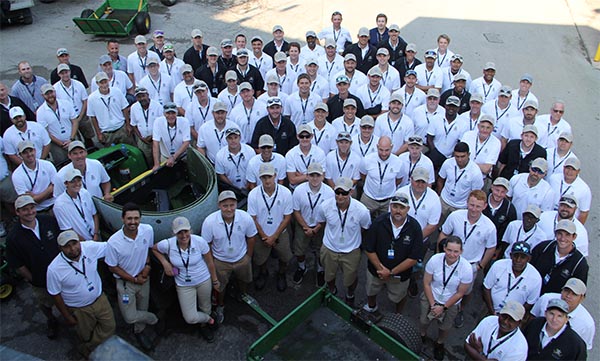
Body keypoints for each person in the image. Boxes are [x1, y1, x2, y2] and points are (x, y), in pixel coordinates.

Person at [46, 230, 115, 358]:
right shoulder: (54, 269)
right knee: (85, 335)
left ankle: (87, 349)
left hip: (100, 299)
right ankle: (92, 349)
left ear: (79, 242)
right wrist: (67, 317)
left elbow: (112, 246)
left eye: (75, 243)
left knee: (110, 326)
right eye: (67, 246)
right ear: (60, 248)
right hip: (79, 308)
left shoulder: (89, 247)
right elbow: (55, 295)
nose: (73, 249)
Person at [152, 217, 219, 342]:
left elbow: (210, 262)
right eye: (179, 232)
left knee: (206, 306)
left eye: (186, 231)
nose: (183, 235)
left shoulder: (199, 242)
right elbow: (154, 249)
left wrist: (215, 281)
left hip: (203, 279)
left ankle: (204, 325)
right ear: (174, 233)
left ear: (190, 230)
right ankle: (209, 319)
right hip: (184, 284)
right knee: (190, 317)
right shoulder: (168, 244)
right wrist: (165, 263)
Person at [438, 190, 496, 328]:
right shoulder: (455, 216)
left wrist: (480, 266)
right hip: (451, 259)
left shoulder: (489, 227)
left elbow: (491, 248)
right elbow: (443, 234)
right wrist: (440, 255)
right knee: (443, 282)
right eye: (472, 205)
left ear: (484, 206)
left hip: (470, 265)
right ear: (467, 203)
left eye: (478, 206)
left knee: (466, 291)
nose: (474, 209)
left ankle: (460, 310)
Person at [5, 195, 60, 339]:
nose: (30, 212)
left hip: (62, 274)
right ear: (17, 212)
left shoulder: (48, 221)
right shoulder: (13, 237)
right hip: (41, 280)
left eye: (32, 208)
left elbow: (61, 242)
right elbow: (17, 264)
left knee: (70, 298)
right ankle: (51, 320)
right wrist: (33, 279)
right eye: (25, 210)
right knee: (45, 303)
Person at [105, 203, 157, 351]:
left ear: (140, 218)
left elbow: (147, 250)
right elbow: (112, 267)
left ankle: (139, 331)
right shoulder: (113, 242)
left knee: (143, 305)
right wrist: (133, 279)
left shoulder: (147, 230)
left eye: (136, 218)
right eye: (129, 218)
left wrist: (147, 266)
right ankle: (153, 319)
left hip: (143, 278)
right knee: (129, 316)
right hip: (126, 283)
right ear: (122, 219)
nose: (133, 222)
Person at [202, 191, 257, 324]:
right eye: (225, 205)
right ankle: (221, 305)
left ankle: (243, 294)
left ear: (236, 204)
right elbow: (206, 245)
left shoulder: (245, 218)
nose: (229, 209)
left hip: (241, 258)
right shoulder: (210, 222)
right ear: (219, 205)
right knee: (220, 287)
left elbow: (251, 237)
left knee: (244, 279)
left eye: (232, 205)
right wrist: (213, 262)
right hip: (221, 261)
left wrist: (248, 256)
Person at [364, 191, 423, 313]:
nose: (398, 210)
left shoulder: (415, 228)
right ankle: (371, 307)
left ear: (408, 209)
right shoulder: (378, 223)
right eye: (395, 206)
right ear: (390, 207)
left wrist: (391, 272)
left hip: (400, 274)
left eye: (402, 207)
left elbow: (413, 258)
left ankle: (398, 314)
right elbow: (369, 249)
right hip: (377, 270)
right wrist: (382, 270)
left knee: (400, 296)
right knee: (371, 290)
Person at [316, 177, 371, 306]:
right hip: (329, 248)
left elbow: (365, 228)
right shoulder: (324, 206)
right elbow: (323, 223)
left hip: (351, 251)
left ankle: (350, 295)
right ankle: (331, 290)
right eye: (337, 192)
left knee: (350, 279)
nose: (340, 196)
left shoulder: (362, 211)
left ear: (351, 192)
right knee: (328, 276)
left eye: (344, 193)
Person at [420, 236, 473, 360]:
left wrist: (443, 308)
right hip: (431, 296)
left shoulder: (466, 268)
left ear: (461, 252)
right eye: (449, 250)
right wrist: (433, 304)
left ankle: (439, 343)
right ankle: (421, 336)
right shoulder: (434, 260)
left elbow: (460, 293)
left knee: (445, 327)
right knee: (423, 320)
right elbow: (426, 283)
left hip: (450, 302)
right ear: (444, 248)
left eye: (456, 251)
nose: (452, 254)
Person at [247, 163, 293, 292]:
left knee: (284, 257)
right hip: (260, 234)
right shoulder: (253, 194)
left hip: (280, 233)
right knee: (260, 258)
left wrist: (274, 236)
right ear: (260, 178)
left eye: (270, 177)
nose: (267, 180)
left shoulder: (285, 193)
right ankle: (263, 272)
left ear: (275, 176)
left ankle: (281, 273)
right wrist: (263, 236)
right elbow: (253, 218)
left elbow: (287, 217)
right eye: (264, 177)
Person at [291, 163, 334, 286]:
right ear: (307, 176)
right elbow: (296, 211)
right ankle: (301, 267)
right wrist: (306, 227)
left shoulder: (329, 193)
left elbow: (328, 215)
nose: (315, 178)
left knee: (321, 250)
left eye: (318, 175)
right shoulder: (299, 191)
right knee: (299, 249)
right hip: (302, 224)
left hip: (320, 226)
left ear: (322, 176)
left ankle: (320, 270)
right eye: (312, 175)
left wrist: (316, 228)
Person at [530, 278, 595, 350]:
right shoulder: (545, 299)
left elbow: (582, 350)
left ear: (582, 298)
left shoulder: (587, 324)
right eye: (566, 291)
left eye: (574, 294)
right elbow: (531, 320)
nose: (568, 296)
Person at [483, 241, 542, 315]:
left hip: (513, 317)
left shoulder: (535, 279)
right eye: (516, 256)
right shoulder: (498, 265)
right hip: (489, 308)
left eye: (523, 257)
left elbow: (530, 303)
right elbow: (486, 288)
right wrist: (492, 311)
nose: (518, 260)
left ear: (529, 259)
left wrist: (514, 315)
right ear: (511, 255)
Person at [530, 219, 588, 294]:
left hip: (556, 302)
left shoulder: (580, 263)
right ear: (555, 233)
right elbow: (528, 270)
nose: (562, 238)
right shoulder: (543, 247)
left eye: (567, 234)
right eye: (560, 234)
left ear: (574, 237)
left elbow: (579, 292)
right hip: (531, 294)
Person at [464, 301, 528, 361]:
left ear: (518, 323)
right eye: (504, 316)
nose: (505, 322)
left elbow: (471, 348)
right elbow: (467, 345)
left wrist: (479, 352)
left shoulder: (520, 348)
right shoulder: (489, 321)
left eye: (511, 319)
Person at [436, 142, 484, 220]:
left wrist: (468, 207)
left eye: (462, 156)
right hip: (444, 202)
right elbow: (440, 180)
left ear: (468, 154)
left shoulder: (475, 172)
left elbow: (475, 193)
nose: (459, 159)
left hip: (461, 207)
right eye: (457, 156)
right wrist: (440, 195)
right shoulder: (448, 163)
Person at [359, 136, 403, 218]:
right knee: (363, 220)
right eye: (381, 150)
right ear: (377, 146)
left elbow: (398, 180)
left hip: (388, 200)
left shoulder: (399, 162)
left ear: (391, 147)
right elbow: (363, 175)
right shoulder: (367, 160)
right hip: (369, 198)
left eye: (387, 150)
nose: (384, 153)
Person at [87, 72, 134, 147]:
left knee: (130, 149)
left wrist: (128, 125)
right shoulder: (92, 98)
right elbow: (93, 117)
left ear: (108, 81)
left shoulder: (117, 92)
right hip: (107, 132)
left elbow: (124, 108)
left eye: (105, 82)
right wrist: (98, 133)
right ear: (97, 83)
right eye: (101, 83)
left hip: (121, 128)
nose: (104, 85)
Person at [36, 84, 77, 165]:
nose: (50, 95)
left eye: (51, 92)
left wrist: (71, 139)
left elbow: (75, 121)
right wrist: (61, 144)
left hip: (72, 139)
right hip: (56, 144)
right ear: (42, 95)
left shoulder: (66, 103)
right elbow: (46, 132)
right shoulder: (40, 112)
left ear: (55, 92)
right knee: (63, 164)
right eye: (47, 94)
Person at [53, 169, 99, 241]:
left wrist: (96, 234)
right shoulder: (59, 205)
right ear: (66, 183)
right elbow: (68, 230)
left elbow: (94, 215)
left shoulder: (85, 193)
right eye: (72, 181)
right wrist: (86, 242)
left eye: (78, 180)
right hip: (81, 243)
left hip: (96, 237)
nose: (77, 184)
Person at [11, 141, 56, 211]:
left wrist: (36, 197)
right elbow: (28, 202)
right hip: (37, 211)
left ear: (35, 151)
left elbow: (57, 190)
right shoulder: (17, 175)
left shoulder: (48, 165)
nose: (29, 154)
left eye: (31, 151)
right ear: (20, 155)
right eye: (25, 152)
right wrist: (49, 189)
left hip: (54, 204)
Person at [53, 64, 91, 144]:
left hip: (81, 115)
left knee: (88, 137)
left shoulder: (79, 84)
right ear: (59, 74)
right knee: (75, 140)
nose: (65, 75)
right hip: (68, 118)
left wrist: (80, 117)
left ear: (69, 72)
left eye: (66, 72)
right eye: (62, 73)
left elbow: (85, 101)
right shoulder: (55, 89)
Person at [427, 96, 467, 171]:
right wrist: (435, 153)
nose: (451, 108)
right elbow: (429, 138)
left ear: (458, 108)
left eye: (454, 107)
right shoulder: (436, 118)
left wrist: (452, 157)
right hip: (434, 155)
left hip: (451, 158)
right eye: (449, 106)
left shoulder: (463, 123)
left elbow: (459, 143)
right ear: (445, 106)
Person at [547, 157, 590, 224]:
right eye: (568, 168)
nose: (569, 172)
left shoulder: (584, 189)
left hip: (568, 223)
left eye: (573, 169)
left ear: (578, 171)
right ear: (563, 168)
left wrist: (575, 228)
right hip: (550, 218)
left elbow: (584, 213)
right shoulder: (553, 179)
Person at [460, 114, 501, 182]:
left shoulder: (496, 143)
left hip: (481, 178)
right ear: (478, 126)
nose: (484, 130)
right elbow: (460, 159)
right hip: (461, 174)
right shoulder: (468, 135)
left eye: (488, 127)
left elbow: (486, 169)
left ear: (492, 129)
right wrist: (479, 165)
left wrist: (467, 163)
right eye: (482, 126)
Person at [152, 102, 191, 170]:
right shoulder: (158, 122)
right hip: (165, 157)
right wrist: (156, 164)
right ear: (164, 114)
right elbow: (155, 143)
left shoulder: (184, 121)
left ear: (177, 113)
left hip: (182, 156)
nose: (170, 116)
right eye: (168, 113)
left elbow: (186, 142)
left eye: (173, 113)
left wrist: (174, 157)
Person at [130, 87, 163, 165]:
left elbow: (162, 124)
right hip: (143, 140)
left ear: (148, 95)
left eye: (143, 96)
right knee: (147, 160)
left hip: (157, 138)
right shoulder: (134, 108)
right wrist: (141, 138)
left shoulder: (157, 106)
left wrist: (153, 136)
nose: (141, 98)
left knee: (159, 158)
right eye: (139, 97)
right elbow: (134, 125)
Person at [215, 128, 254, 192]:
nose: (233, 141)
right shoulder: (220, 155)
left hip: (249, 187)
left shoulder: (250, 151)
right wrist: (232, 188)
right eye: (230, 138)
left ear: (240, 138)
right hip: (230, 189)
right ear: (226, 139)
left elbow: (253, 170)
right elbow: (221, 174)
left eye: (235, 137)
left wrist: (248, 185)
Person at [483, 177, 517, 246]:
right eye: (497, 190)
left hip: (495, 245)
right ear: (492, 187)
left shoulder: (510, 209)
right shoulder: (482, 200)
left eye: (502, 192)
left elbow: (508, 233)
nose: (499, 194)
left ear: (507, 192)